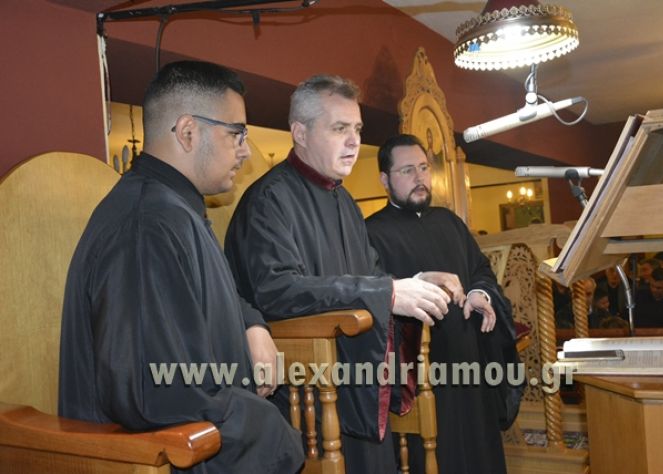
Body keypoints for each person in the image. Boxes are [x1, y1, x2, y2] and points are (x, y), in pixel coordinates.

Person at [59, 61, 304, 473]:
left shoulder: (172, 209)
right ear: (188, 132)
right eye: (236, 133)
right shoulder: (147, 225)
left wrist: (251, 323)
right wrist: (273, 431)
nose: (246, 150)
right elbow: (153, 390)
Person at [224, 75, 452, 473]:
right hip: (307, 392)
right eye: (339, 128)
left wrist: (412, 283)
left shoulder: (345, 201)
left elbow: (370, 274)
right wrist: (387, 293)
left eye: (357, 129)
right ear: (300, 133)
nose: (354, 142)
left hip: (356, 378)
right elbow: (277, 291)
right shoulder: (268, 200)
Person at [365, 134, 523, 474]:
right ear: (385, 180)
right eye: (407, 170)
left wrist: (480, 294)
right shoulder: (371, 233)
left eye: (424, 168)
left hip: (472, 364)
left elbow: (480, 270)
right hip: (424, 375)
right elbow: (374, 293)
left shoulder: (449, 221)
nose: (419, 177)